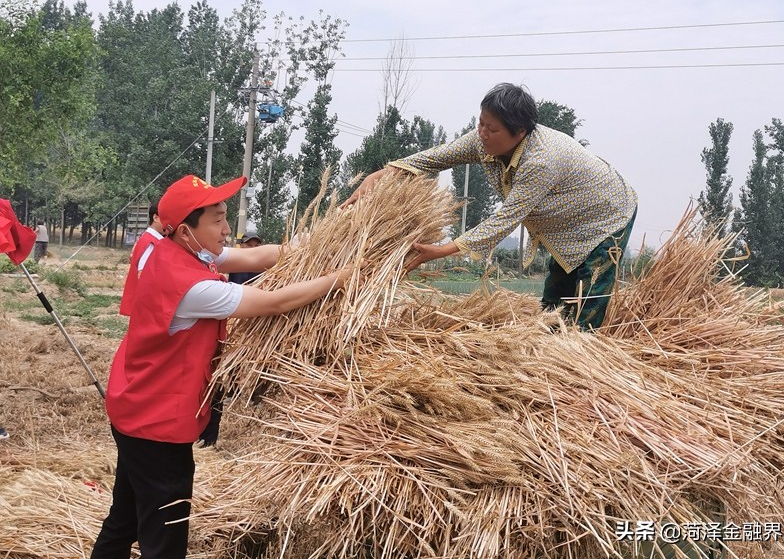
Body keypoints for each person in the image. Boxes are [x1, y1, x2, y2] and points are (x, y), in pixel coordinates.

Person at [91, 174, 354, 559]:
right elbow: (275, 302)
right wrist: (343, 277)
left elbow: (256, 256)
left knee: (125, 517)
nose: (228, 228)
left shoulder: (184, 251)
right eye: (217, 219)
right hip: (156, 425)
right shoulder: (189, 286)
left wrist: (320, 245)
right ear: (185, 230)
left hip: (135, 406)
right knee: (164, 537)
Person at [343, 83, 638, 330]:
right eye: (480, 123)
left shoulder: (541, 161)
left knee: (588, 296)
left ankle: (582, 358)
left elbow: (504, 220)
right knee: (558, 290)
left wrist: (442, 251)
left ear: (519, 132)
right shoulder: (481, 140)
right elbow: (437, 156)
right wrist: (382, 173)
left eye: (492, 129)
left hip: (606, 215)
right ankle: (549, 346)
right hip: (566, 222)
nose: (482, 133)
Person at [119, 202, 165, 316]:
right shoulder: (151, 242)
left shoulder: (149, 238)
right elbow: (143, 274)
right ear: (155, 217)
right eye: (167, 218)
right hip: (147, 305)